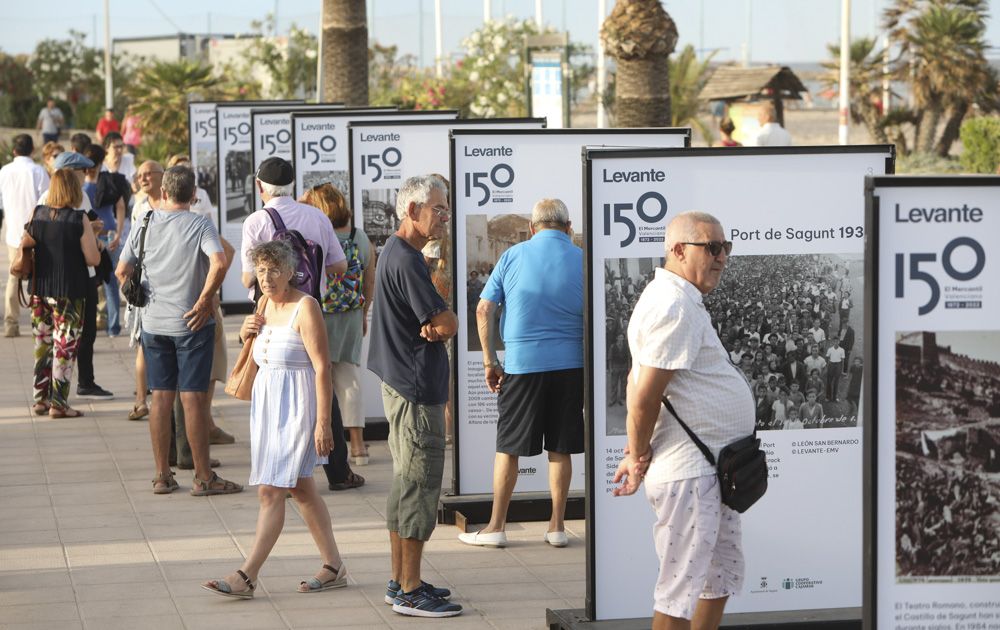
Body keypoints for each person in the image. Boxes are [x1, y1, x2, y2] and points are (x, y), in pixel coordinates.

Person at [611, 210, 751, 630]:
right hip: (691, 472)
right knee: (679, 592)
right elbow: (644, 395)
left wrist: (636, 449)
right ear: (677, 249)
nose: (722, 256)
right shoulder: (674, 304)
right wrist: (637, 456)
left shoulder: (680, 299)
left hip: (709, 468)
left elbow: (645, 386)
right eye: (711, 247)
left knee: (719, 576)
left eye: (726, 246)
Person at [202, 240, 348, 600]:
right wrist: (245, 331)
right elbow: (258, 351)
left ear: (290, 272)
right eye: (261, 271)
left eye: (273, 270)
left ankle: (246, 576)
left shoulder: (306, 306)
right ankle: (334, 566)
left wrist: (323, 422)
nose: (265, 278)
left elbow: (322, 368)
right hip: (268, 408)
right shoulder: (264, 302)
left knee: (271, 491)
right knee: (300, 488)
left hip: (298, 407)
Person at [458, 198, 584, 550]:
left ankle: (496, 526)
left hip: (522, 364)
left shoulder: (512, 256)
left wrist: (489, 360)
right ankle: (557, 527)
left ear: (532, 228)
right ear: (568, 227)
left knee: (508, 447)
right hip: (571, 365)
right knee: (560, 449)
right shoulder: (582, 259)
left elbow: (484, 309)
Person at [115, 165, 242, 496]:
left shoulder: (144, 221)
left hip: (153, 325)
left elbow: (122, 269)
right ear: (193, 194)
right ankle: (202, 477)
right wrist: (203, 301)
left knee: (160, 398)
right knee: (194, 400)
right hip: (191, 324)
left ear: (164, 193)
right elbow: (220, 262)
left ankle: (161, 475)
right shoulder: (200, 224)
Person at [368, 175, 461, 618]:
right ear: (412, 211)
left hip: (404, 383)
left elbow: (436, 319)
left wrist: (438, 318)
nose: (443, 216)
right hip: (415, 389)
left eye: (444, 209)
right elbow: (447, 324)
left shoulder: (397, 252)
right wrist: (442, 320)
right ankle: (408, 589)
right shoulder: (406, 259)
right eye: (437, 209)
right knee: (419, 488)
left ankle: (402, 580)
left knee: (406, 484)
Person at [239, 157, 361, 492]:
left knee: (278, 385)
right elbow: (338, 265)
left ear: (259, 186)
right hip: (311, 307)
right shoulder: (316, 216)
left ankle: (284, 469)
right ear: (292, 184)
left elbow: (248, 276)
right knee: (321, 380)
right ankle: (338, 471)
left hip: (272, 313)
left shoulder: (255, 221)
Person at [299, 183, 376, 466]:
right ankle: (358, 445)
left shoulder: (317, 234)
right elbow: (370, 281)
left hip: (319, 315)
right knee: (350, 379)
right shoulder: (361, 237)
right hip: (351, 316)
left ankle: (324, 442)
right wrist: (364, 313)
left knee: (319, 377)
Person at [26, 170, 101, 417]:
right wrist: (95, 237)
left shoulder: (37, 215)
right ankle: (58, 403)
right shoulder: (78, 219)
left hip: (39, 290)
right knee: (65, 346)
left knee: (42, 344)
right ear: (73, 190)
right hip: (70, 291)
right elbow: (93, 258)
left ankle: (40, 400)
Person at [0, 134, 50, 337]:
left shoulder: (4, 171)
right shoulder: (38, 171)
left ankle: (11, 324)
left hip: (13, 233)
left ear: (14, 151)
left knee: (15, 276)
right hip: (37, 232)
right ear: (33, 150)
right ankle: (38, 321)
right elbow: (46, 201)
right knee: (38, 277)